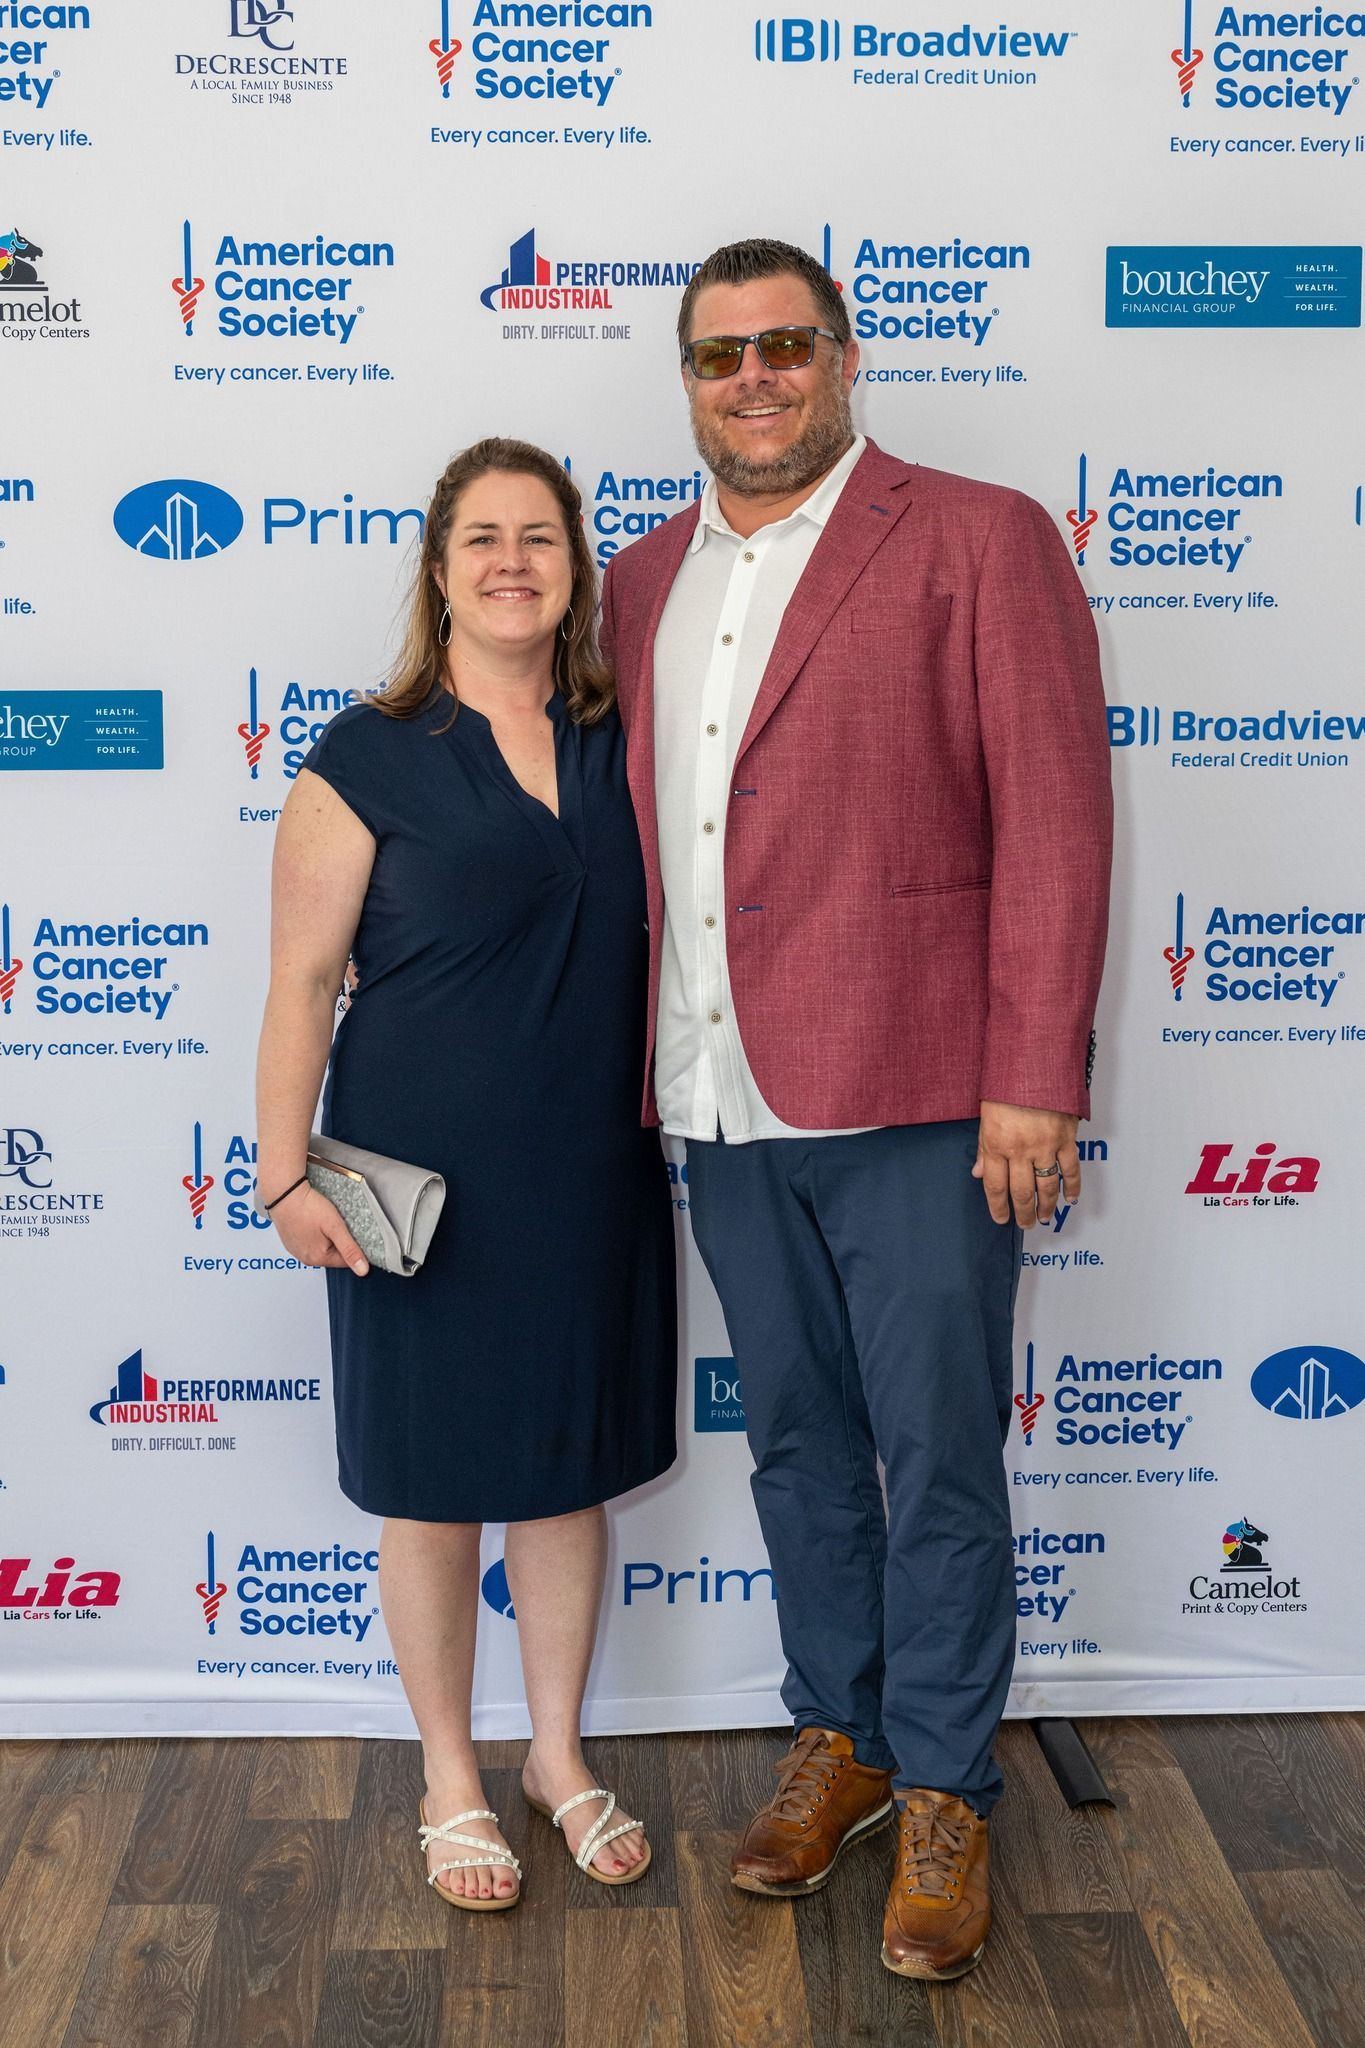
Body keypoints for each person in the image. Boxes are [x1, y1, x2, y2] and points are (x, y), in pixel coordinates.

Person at [599, 240, 1112, 1979]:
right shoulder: (639, 578)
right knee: (800, 1445)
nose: (751, 377)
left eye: (784, 345)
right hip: (715, 1094)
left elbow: (1054, 819)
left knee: (938, 1451)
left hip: (919, 1096)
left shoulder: (976, 536)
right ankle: (847, 1734)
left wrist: (1032, 1075)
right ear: (686, 380)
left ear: (841, 357)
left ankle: (951, 1784)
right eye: (717, 354)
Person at [255, 438, 676, 1911]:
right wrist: (282, 1178)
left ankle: (556, 1757)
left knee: (564, 1480)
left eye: (540, 538)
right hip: (412, 1186)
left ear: (575, 571)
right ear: (437, 569)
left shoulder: (620, 739)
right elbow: (300, 984)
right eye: (483, 538)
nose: (512, 562)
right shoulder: (365, 753)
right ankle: (449, 1773)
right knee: (431, 1489)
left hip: (590, 1170)